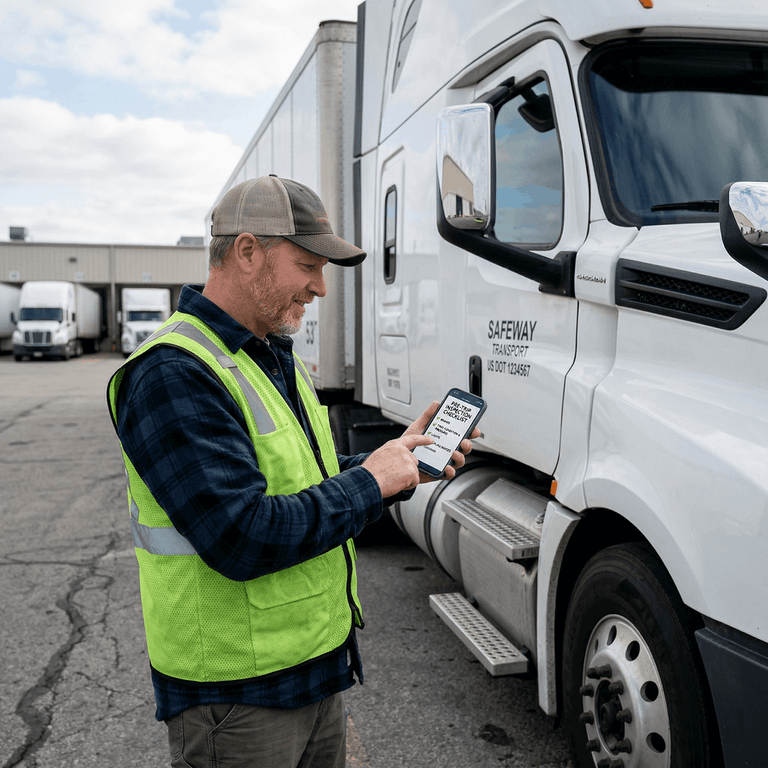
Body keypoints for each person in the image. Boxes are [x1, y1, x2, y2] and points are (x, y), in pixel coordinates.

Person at [106, 175, 478, 768]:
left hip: (313, 671)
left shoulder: (268, 352)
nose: (321, 288)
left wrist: (399, 462)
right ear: (247, 250)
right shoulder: (174, 373)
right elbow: (241, 535)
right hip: (236, 700)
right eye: (307, 265)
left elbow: (303, 483)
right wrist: (371, 481)